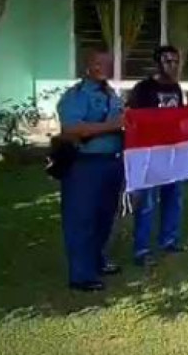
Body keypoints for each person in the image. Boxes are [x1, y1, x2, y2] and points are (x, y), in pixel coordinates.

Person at [55, 49, 125, 292]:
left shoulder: (113, 94)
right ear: (88, 66)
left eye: (108, 63)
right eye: (99, 63)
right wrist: (112, 125)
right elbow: (72, 129)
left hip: (112, 163)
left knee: (105, 217)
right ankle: (81, 275)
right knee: (81, 219)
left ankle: (97, 260)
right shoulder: (75, 96)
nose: (104, 67)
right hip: (84, 165)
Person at [126, 45, 187, 267]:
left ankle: (169, 240)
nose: (173, 65)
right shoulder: (143, 89)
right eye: (168, 61)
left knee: (174, 196)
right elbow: (132, 119)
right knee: (147, 202)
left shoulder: (177, 88)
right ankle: (142, 250)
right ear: (157, 64)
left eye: (175, 61)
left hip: (172, 152)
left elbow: (179, 117)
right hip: (149, 153)